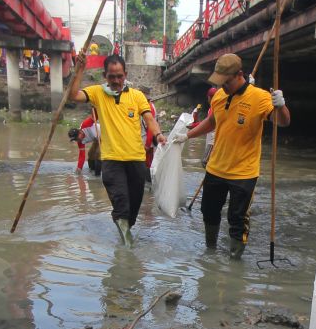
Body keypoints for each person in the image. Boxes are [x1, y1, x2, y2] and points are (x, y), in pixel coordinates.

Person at [179, 53, 290, 258]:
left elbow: (282, 122)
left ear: (240, 74)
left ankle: (234, 260)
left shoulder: (260, 98)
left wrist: (280, 105)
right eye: (220, 81)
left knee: (237, 219)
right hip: (216, 168)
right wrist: (186, 136)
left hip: (243, 173)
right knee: (209, 212)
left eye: (226, 81)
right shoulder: (220, 96)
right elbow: (213, 122)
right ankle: (210, 252)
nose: (223, 86)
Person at [67, 53, 166, 246]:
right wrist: (79, 70)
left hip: (136, 159)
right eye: (111, 77)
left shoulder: (137, 96)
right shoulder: (98, 93)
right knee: (121, 204)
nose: (116, 81)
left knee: (134, 207)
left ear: (125, 74)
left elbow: (149, 119)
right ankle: (128, 248)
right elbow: (74, 95)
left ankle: (125, 234)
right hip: (112, 160)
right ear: (105, 76)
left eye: (119, 76)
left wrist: (158, 135)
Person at [69, 110, 102, 175]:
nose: (77, 141)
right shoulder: (80, 141)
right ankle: (92, 171)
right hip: (96, 139)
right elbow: (82, 156)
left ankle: (97, 176)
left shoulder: (85, 124)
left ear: (80, 132)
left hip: (104, 135)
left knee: (98, 154)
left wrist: (95, 106)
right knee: (90, 154)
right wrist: (79, 169)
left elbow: (95, 115)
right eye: (75, 140)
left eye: (77, 138)